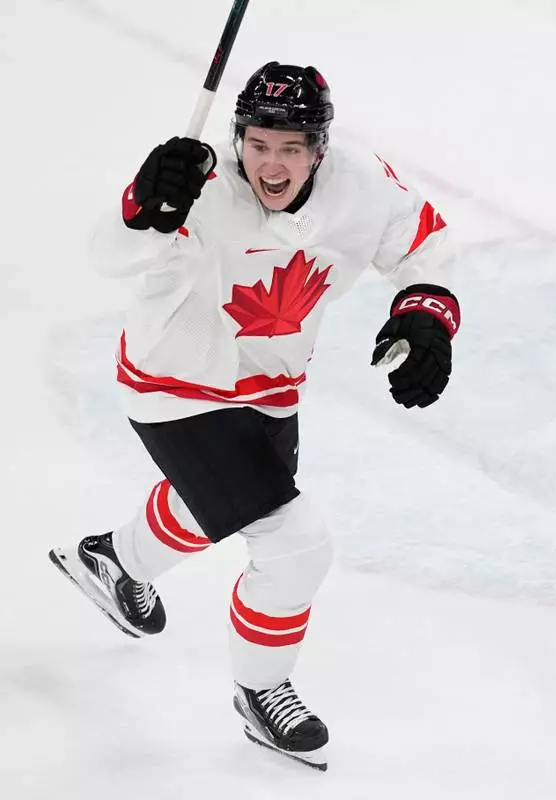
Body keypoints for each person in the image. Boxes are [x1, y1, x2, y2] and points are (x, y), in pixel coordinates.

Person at [48, 62, 460, 771]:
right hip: (177, 386)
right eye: (259, 143)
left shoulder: (363, 186)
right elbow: (107, 253)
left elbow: (425, 246)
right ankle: (263, 691)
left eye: (292, 148)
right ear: (239, 135)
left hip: (271, 387)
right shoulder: (197, 182)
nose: (272, 163)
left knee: (217, 503)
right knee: (294, 542)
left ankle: (115, 560)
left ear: (320, 148)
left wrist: (425, 317)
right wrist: (143, 205)